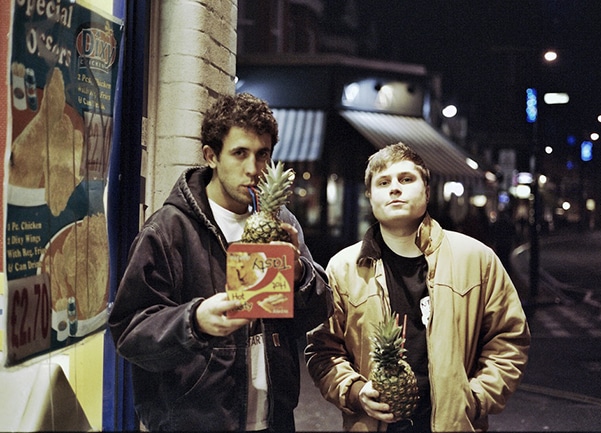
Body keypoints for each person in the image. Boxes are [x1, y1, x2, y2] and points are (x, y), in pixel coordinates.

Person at [109, 92, 333, 432]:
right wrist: (194, 321)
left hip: (274, 419)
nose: (253, 169)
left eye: (262, 154)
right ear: (211, 156)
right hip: (196, 422)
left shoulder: (281, 221)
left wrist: (299, 273)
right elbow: (130, 332)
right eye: (239, 153)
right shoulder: (169, 229)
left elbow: (317, 311)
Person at [305, 143, 530, 432]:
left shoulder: (476, 258)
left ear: (427, 190)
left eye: (406, 179)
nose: (395, 189)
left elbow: (509, 338)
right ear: (370, 195)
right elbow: (323, 350)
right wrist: (355, 392)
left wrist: (475, 399)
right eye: (383, 182)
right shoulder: (343, 268)